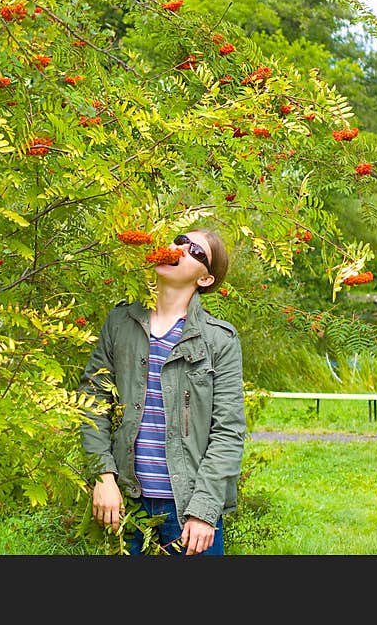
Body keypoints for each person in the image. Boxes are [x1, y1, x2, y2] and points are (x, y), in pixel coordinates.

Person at [78, 228, 245, 555]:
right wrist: (103, 476)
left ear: (205, 280)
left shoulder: (219, 341)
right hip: (125, 506)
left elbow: (228, 432)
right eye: (179, 240)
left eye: (195, 250)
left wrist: (204, 510)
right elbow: (92, 401)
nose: (180, 249)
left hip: (188, 512)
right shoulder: (119, 323)